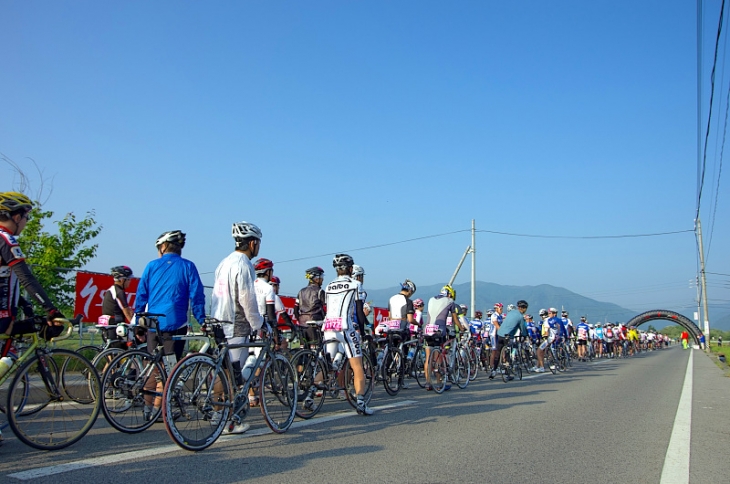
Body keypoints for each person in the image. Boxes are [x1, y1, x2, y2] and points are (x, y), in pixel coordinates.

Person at [0, 192, 65, 446]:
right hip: (3, 319)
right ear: (15, 216)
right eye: (26, 216)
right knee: (11, 355)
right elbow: (26, 278)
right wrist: (51, 310)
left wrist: (27, 306)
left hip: (8, 312)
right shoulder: (6, 239)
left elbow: (9, 284)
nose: (26, 221)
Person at [135, 230, 206, 423]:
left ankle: (147, 409)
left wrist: (137, 322)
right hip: (175, 323)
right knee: (169, 371)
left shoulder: (151, 266)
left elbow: (141, 294)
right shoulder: (188, 266)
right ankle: (160, 411)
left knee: (152, 366)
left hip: (151, 324)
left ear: (164, 246)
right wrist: (202, 320)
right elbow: (197, 296)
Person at [210, 221, 267, 434]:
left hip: (218, 319)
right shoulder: (244, 264)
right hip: (235, 323)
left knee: (223, 371)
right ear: (252, 243)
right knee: (236, 374)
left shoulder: (223, 263)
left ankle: (218, 413)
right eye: (258, 243)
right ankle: (231, 421)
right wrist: (259, 323)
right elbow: (247, 299)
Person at [323, 254, 372, 415]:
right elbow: (359, 310)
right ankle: (361, 402)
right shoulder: (356, 284)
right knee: (357, 366)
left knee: (327, 365)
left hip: (329, 327)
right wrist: (364, 332)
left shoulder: (329, 285)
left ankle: (310, 396)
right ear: (350, 269)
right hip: (346, 327)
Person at [424, 285, 460, 391]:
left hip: (427, 330)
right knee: (438, 357)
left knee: (428, 358)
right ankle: (439, 383)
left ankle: (428, 383)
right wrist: (462, 329)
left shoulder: (431, 299)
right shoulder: (450, 301)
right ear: (449, 294)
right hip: (439, 331)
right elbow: (455, 319)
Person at [99, 265, 135, 345]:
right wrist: (137, 327)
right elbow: (127, 312)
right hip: (114, 326)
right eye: (129, 279)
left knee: (112, 351)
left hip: (107, 325)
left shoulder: (111, 289)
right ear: (122, 280)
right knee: (131, 345)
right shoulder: (119, 292)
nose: (130, 282)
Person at [494, 300, 530, 380]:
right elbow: (523, 329)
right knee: (508, 355)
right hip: (508, 336)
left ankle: (493, 371)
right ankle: (507, 373)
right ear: (523, 308)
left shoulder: (510, 313)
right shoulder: (520, 317)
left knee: (498, 352)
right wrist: (525, 335)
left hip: (500, 333)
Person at [293, 266, 326, 348]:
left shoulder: (301, 291)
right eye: (321, 277)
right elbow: (327, 307)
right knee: (317, 350)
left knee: (304, 350)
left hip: (302, 325)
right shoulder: (320, 291)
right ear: (316, 279)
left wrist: (300, 320)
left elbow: (295, 310)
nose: (323, 279)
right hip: (315, 325)